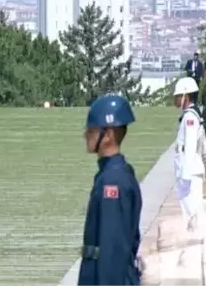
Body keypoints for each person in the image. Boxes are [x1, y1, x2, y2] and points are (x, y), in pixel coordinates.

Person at [77, 94, 142, 286]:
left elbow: (112, 251)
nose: (86, 134)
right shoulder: (111, 174)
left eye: (92, 130)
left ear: (108, 135)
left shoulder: (112, 182)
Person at [173, 77, 206, 227]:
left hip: (190, 172)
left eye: (178, 96)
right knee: (189, 212)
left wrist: (185, 175)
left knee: (192, 212)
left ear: (186, 96)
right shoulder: (189, 115)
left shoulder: (190, 118)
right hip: (189, 170)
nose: (176, 99)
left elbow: (190, 146)